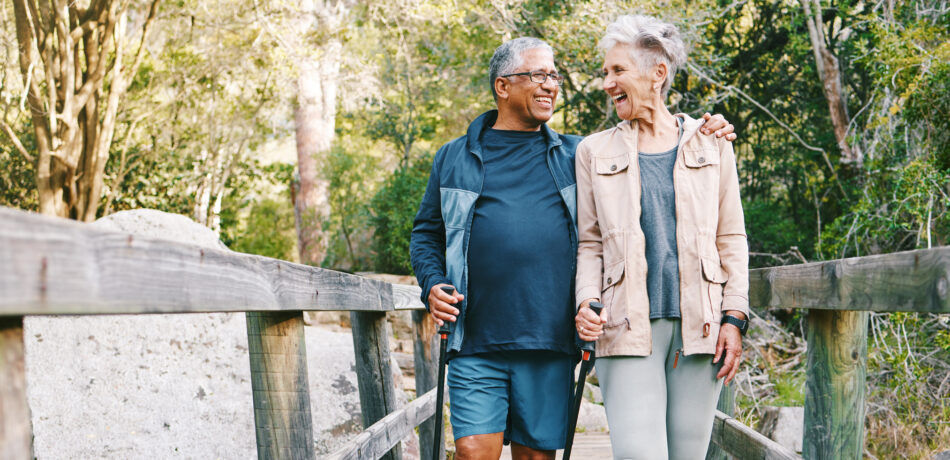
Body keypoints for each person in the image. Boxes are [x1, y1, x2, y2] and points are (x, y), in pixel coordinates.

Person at [410, 36, 735, 460]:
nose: (550, 85)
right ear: (502, 86)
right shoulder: (454, 157)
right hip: (474, 340)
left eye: (554, 76)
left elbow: (644, 162)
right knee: (472, 452)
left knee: (536, 458)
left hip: (549, 341)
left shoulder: (579, 154)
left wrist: (703, 129)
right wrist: (432, 283)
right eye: (538, 75)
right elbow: (425, 234)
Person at [573, 14, 750, 460]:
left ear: (658, 74)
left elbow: (731, 236)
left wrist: (736, 317)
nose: (607, 83)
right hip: (624, 324)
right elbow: (590, 242)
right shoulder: (594, 151)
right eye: (606, 72)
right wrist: (584, 300)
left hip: (702, 327)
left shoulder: (712, 142)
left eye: (617, 71)